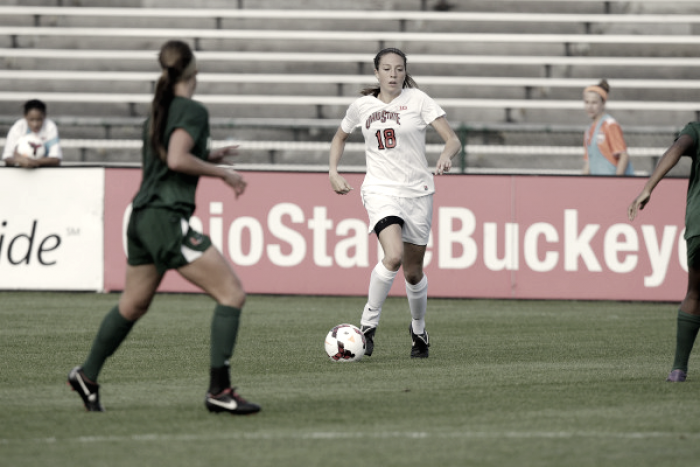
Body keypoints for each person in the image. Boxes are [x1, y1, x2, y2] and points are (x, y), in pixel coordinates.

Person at [67, 40, 260, 414]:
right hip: (165, 217)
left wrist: (206, 156)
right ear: (193, 69)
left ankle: (86, 376)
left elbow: (172, 156)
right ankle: (219, 392)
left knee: (133, 303)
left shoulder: (158, 111)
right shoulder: (192, 109)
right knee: (232, 294)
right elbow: (175, 158)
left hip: (141, 218)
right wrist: (223, 173)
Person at [328, 47, 461, 359]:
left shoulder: (418, 100)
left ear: (405, 72)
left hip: (417, 192)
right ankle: (367, 327)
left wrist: (446, 154)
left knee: (413, 273)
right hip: (380, 190)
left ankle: (418, 330)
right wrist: (333, 171)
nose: (393, 74)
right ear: (377, 73)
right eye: (386, 69)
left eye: (398, 69)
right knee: (394, 255)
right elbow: (339, 138)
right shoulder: (361, 106)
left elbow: (453, 139)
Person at [628, 122, 700, 382]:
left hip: (698, 225)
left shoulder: (696, 129)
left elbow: (676, 149)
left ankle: (679, 370)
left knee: (695, 292)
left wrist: (648, 188)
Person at [582, 79, 633, 176]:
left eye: (594, 103)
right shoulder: (588, 130)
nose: (590, 107)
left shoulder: (609, 125)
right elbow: (588, 162)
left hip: (610, 181)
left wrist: (617, 180)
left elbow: (623, 155)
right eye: (587, 102)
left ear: (603, 103)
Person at [2, 99, 62, 167]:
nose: (35, 124)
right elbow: (7, 157)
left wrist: (31, 162)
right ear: (25, 116)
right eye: (31, 119)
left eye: (39, 119)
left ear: (44, 116)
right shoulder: (18, 127)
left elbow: (56, 159)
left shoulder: (50, 127)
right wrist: (19, 161)